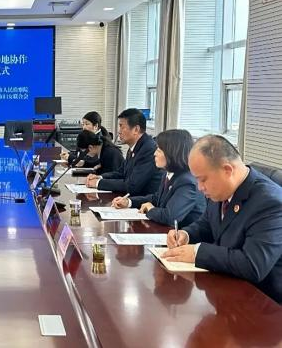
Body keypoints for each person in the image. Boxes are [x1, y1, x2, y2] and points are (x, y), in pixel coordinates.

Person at [162, 135, 282, 304]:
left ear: (227, 170)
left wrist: (197, 253)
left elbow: (252, 265)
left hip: (261, 304)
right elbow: (206, 224)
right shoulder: (221, 190)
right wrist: (185, 234)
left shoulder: (270, 203)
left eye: (203, 179)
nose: (199, 187)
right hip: (226, 289)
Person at [112, 129, 206, 227]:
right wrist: (129, 202)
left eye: (159, 150)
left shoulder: (187, 182)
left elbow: (170, 217)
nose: (154, 154)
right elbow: (156, 198)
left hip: (181, 235)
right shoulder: (168, 174)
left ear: (172, 153)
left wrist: (151, 209)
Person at [86, 108, 164, 196]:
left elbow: (132, 185)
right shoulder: (134, 147)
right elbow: (121, 173)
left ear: (136, 129)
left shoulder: (148, 149)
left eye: (122, 127)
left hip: (143, 201)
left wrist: (98, 183)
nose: (119, 131)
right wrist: (100, 177)